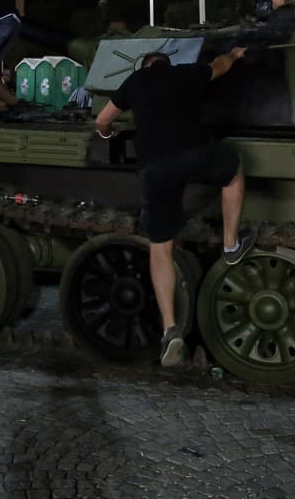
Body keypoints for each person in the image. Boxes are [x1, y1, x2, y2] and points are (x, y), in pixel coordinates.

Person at [94, 47, 257, 367]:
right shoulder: (183, 72)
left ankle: (170, 330)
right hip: (192, 155)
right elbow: (219, 65)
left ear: (145, 66)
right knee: (233, 170)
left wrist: (107, 133)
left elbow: (102, 120)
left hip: (154, 169)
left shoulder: (135, 81)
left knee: (160, 248)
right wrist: (235, 55)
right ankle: (230, 245)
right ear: (166, 64)